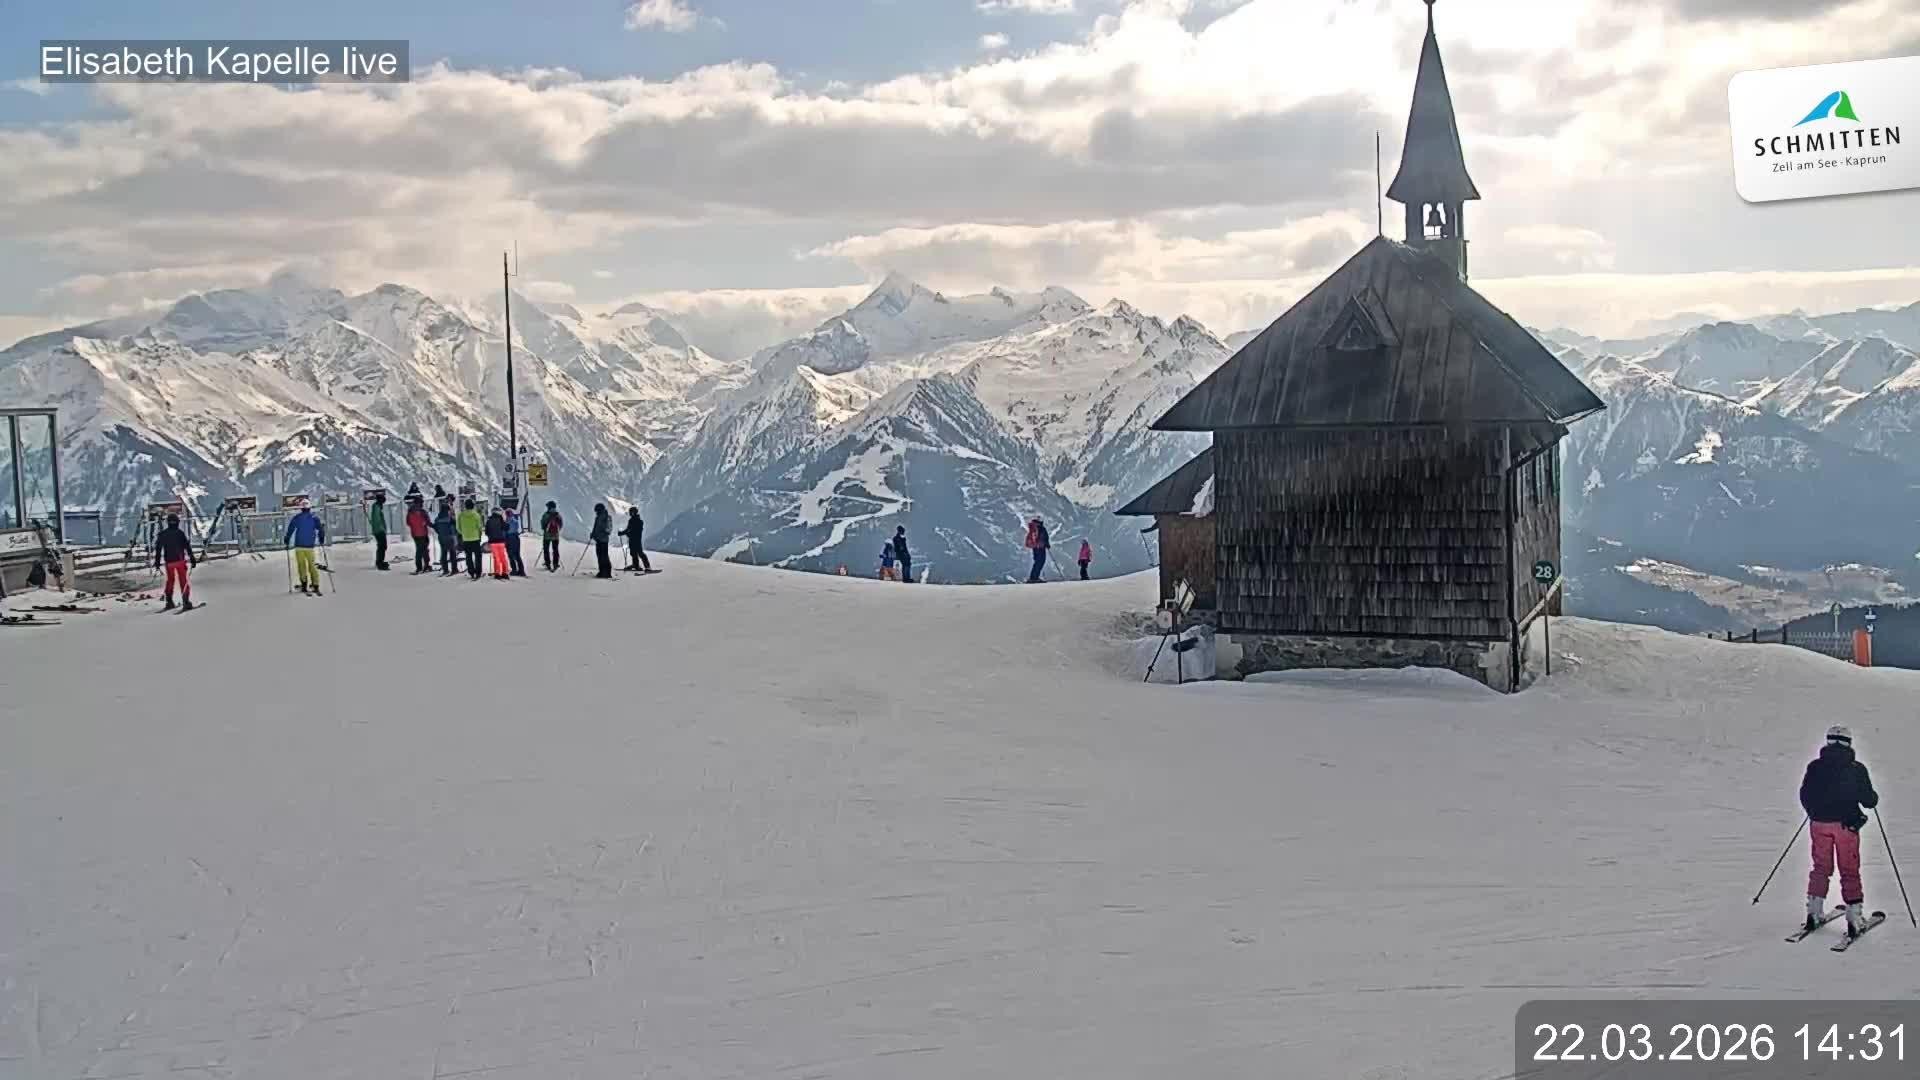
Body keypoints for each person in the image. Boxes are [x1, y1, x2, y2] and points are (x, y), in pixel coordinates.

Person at [1801, 724, 1880, 937]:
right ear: (1848, 743)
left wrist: (1814, 811)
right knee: (1849, 868)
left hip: (1818, 824)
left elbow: (1805, 794)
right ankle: (1854, 919)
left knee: (1820, 867)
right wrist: (1872, 799)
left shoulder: (1814, 767)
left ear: (1828, 742)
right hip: (1846, 825)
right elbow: (1868, 800)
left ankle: (1813, 913)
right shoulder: (1856, 768)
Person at [154, 512, 197, 610]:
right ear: (177, 522)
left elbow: (158, 549)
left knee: (170, 581)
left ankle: (169, 601)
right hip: (180, 561)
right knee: (183, 580)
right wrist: (192, 559)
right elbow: (187, 547)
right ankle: (186, 601)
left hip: (169, 562)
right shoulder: (180, 533)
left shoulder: (163, 534)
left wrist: (157, 563)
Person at [284, 499, 326, 594]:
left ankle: (304, 584)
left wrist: (287, 539)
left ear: (301, 508)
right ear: (309, 508)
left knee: (301, 566)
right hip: (310, 546)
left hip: (299, 546)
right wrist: (321, 539)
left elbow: (291, 529)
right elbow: (320, 529)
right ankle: (315, 585)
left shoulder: (297, 518)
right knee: (312, 566)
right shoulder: (314, 518)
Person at [457, 498, 486, 581]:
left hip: (466, 539)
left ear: (465, 506)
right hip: (475, 538)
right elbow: (480, 527)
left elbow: (458, 528)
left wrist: (464, 533)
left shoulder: (461, 515)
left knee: (468, 556)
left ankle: (471, 572)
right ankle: (478, 572)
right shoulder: (476, 515)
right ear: (473, 506)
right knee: (478, 556)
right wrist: (479, 534)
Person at [619, 507, 652, 572]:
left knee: (639, 553)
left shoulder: (637, 521)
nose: (630, 513)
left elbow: (630, 530)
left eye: (631, 512)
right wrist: (623, 533)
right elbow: (629, 530)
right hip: (633, 539)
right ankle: (636, 565)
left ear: (633, 512)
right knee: (633, 553)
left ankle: (647, 566)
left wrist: (622, 533)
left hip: (635, 539)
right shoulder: (635, 521)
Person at [405, 497, 433, 574]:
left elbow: (408, 523)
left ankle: (419, 567)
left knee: (419, 550)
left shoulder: (410, 512)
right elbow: (428, 522)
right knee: (425, 550)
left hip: (415, 534)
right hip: (423, 533)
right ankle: (426, 566)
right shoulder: (422, 512)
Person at [484, 508, 511, 580]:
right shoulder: (501, 520)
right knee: (503, 557)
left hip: (493, 542)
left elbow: (486, 532)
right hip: (501, 541)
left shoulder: (489, 521)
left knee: (496, 558)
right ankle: (505, 572)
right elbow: (507, 528)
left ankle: (498, 573)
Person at [433, 499, 459, 575]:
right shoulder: (450, 519)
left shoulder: (437, 519)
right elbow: (455, 527)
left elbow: (436, 528)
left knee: (443, 553)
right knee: (452, 553)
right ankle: (454, 569)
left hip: (441, 537)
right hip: (449, 537)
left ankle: (445, 570)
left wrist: (440, 533)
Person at [368, 491, 391, 571]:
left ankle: (379, 561)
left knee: (381, 546)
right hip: (379, 530)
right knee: (382, 546)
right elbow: (377, 520)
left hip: (378, 530)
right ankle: (380, 562)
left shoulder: (376, 507)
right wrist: (382, 529)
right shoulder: (377, 507)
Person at [590, 503, 613, 578]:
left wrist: (603, 530)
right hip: (598, 539)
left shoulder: (607, 517)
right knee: (600, 556)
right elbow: (595, 527)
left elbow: (608, 530)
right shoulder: (598, 517)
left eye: (597, 510)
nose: (596, 512)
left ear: (600, 510)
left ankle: (607, 572)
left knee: (604, 556)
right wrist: (593, 534)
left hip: (603, 540)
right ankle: (602, 571)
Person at [1024, 517, 1051, 583]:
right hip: (1040, 547)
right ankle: (1034, 578)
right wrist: (1046, 544)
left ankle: (1033, 577)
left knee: (1037, 562)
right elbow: (1043, 537)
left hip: (1035, 548)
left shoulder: (1032, 528)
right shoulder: (1041, 528)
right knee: (1040, 562)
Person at [539, 501, 564, 572]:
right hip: (556, 536)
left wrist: (545, 529)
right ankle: (555, 563)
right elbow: (561, 524)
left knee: (546, 549)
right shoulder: (558, 515)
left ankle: (548, 563)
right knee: (555, 549)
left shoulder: (546, 515)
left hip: (547, 535)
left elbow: (542, 524)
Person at [504, 505, 527, 577]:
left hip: (509, 539)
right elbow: (517, 529)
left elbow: (505, 532)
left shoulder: (506, 522)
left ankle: (514, 570)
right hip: (516, 538)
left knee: (510, 555)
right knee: (517, 555)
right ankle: (521, 570)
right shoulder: (515, 521)